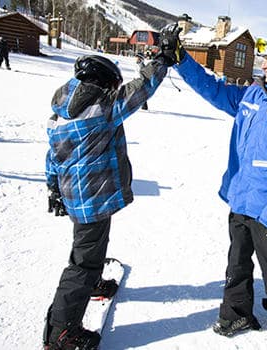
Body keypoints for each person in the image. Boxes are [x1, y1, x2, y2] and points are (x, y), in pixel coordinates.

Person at [159, 25, 267, 339]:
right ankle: (237, 316)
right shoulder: (252, 95)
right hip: (241, 198)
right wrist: (180, 59)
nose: (264, 64)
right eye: (265, 58)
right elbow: (214, 89)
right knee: (237, 266)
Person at [42, 52, 173, 350]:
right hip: (93, 198)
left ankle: (94, 280)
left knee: (91, 246)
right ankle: (62, 334)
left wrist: (53, 188)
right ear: (103, 83)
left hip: (76, 195)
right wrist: (162, 59)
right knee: (82, 264)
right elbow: (143, 86)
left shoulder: (59, 114)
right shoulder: (104, 108)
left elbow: (52, 157)